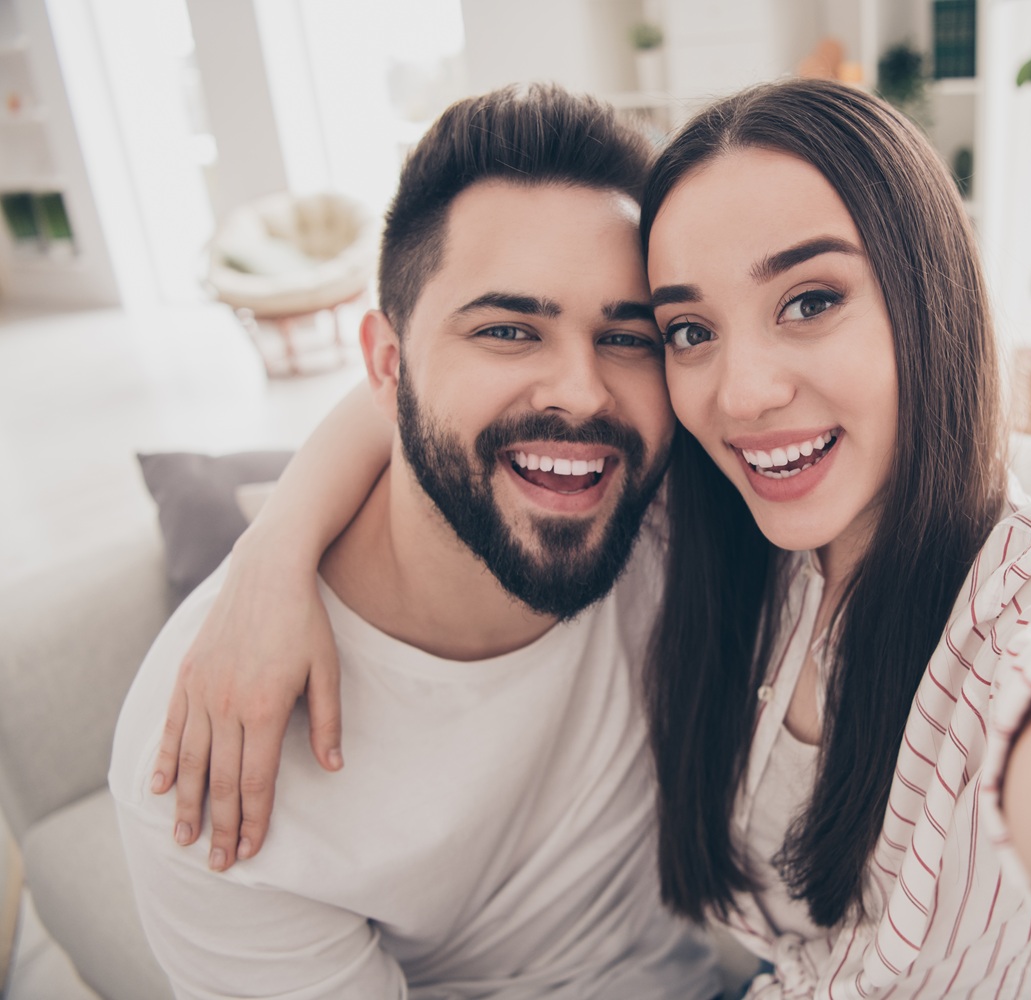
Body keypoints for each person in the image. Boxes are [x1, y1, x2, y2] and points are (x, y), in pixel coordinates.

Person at [155, 80, 1031, 1000]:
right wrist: (268, 562)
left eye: (809, 300)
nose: (740, 392)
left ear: (927, 296)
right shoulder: (708, 524)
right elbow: (442, 390)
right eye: (688, 329)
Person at [109, 84, 720, 1000]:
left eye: (626, 337)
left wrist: (275, 540)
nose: (583, 392)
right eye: (508, 330)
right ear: (386, 363)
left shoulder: (665, 504)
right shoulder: (209, 755)